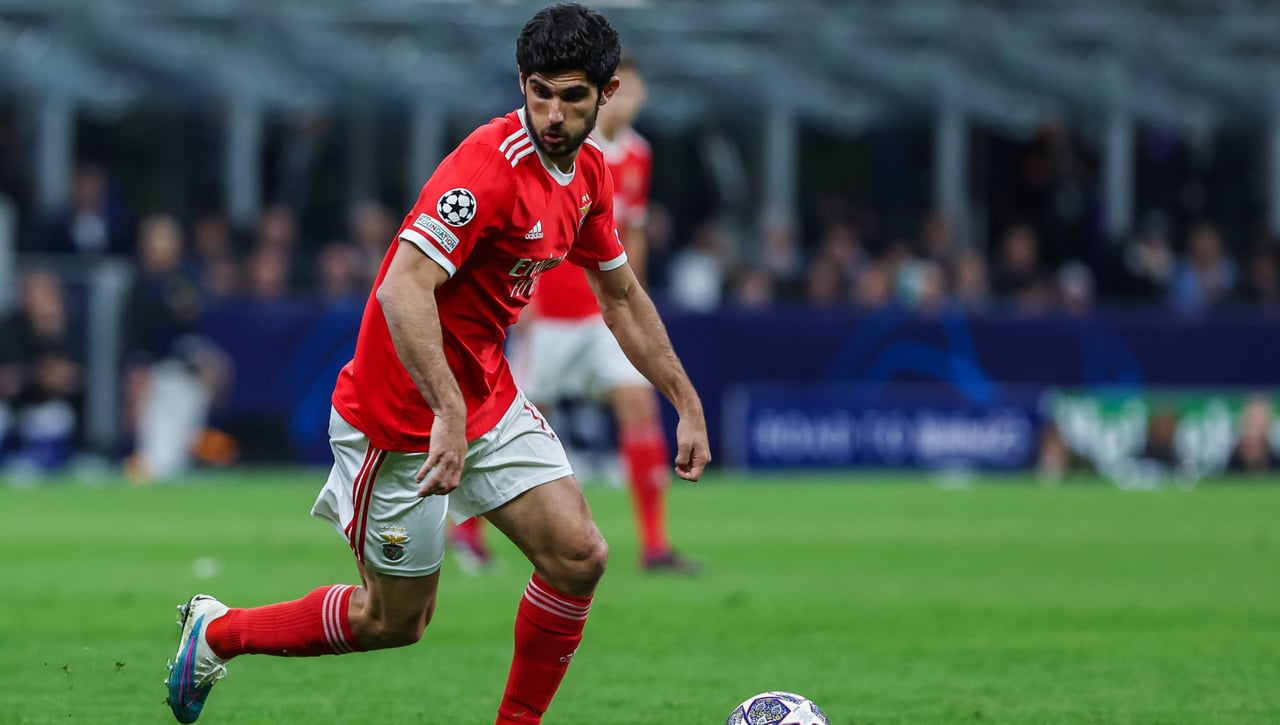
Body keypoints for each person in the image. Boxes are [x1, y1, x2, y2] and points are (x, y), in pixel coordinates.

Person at [163, 5, 711, 724]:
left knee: (579, 555)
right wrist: (446, 412)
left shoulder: (590, 176)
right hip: (397, 418)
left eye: (571, 96)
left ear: (604, 95)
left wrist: (684, 398)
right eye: (539, 91)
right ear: (521, 81)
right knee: (392, 622)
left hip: (483, 395)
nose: (551, 112)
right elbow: (401, 285)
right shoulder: (486, 167)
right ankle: (219, 632)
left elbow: (622, 296)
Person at [454, 56, 698, 574]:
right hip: (553, 315)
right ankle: (467, 532)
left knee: (638, 407)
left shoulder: (637, 154)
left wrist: (640, 304)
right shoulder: (569, 149)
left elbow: (628, 238)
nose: (628, 100)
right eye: (622, 91)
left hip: (602, 316)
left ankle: (655, 546)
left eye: (636, 90)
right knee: (502, 425)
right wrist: (531, 301)